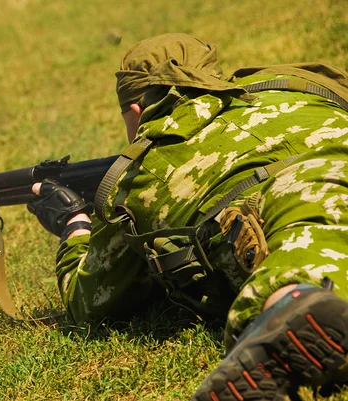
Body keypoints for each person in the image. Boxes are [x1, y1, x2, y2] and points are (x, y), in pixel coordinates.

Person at [27, 33, 348, 400]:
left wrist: (75, 225)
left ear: (135, 110)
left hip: (296, 197)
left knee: (307, 252)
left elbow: (91, 302)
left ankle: (292, 302)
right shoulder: (291, 87)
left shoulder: (135, 180)